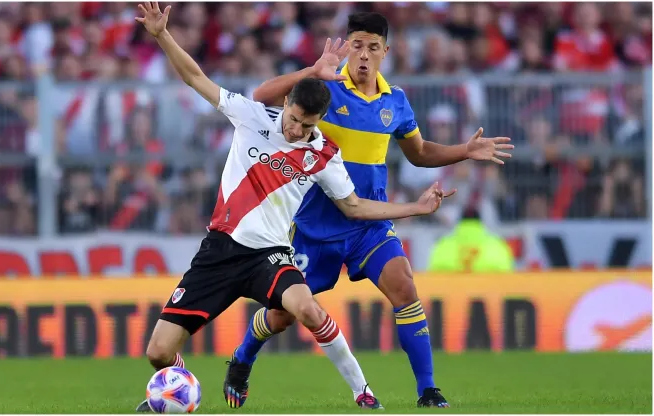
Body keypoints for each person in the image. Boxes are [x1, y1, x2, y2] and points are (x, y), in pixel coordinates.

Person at [133, 3, 456, 412]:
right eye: (294, 120)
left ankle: (366, 392)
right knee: (158, 353)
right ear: (287, 105)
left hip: (271, 255)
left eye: (307, 126)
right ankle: (177, 383)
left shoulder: (322, 153)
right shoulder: (252, 117)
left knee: (309, 308)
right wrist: (162, 34)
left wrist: (416, 208)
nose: (296, 131)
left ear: (319, 122)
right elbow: (196, 77)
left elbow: (355, 207)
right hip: (221, 249)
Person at [227, 12, 514, 409]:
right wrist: (310, 71)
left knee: (404, 285)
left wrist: (464, 150)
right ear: (347, 47)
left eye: (372, 47)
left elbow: (420, 153)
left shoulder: (394, 101)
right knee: (282, 316)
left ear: (385, 52)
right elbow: (261, 98)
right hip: (315, 226)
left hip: (369, 224)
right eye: (357, 45)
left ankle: (428, 390)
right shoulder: (325, 90)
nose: (363, 55)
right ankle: (242, 358)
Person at [428, 208, 515, 273]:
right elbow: (508, 279)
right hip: (488, 295)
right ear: (480, 222)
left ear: (460, 222)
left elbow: (433, 276)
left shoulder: (443, 245)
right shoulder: (497, 245)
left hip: (453, 294)